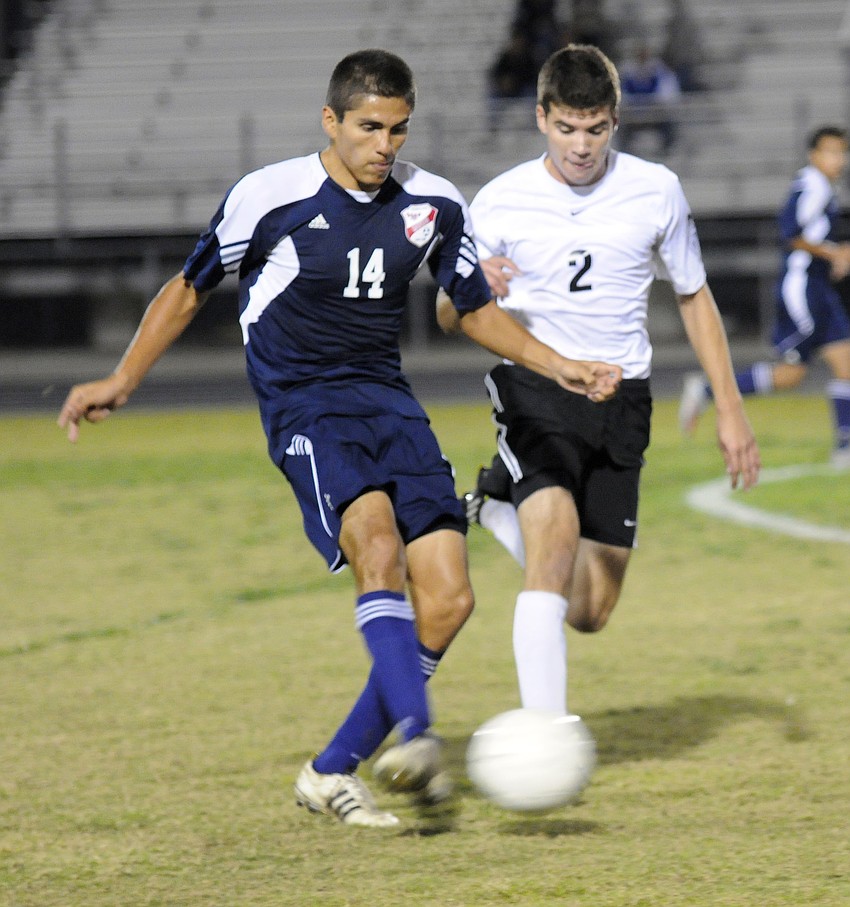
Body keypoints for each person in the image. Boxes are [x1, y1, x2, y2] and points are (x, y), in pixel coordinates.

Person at [57, 49, 621, 828]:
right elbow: (189, 289)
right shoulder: (270, 195)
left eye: (397, 128)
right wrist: (122, 380)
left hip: (389, 402)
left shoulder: (433, 202)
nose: (384, 144)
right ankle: (418, 736)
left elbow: (475, 307)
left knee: (451, 598)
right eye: (368, 127)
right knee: (377, 545)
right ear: (331, 121)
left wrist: (560, 365)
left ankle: (329, 771)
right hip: (305, 406)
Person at [438, 44, 760, 717]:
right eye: (565, 128)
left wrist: (730, 409)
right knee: (552, 546)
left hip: (624, 397)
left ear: (616, 121)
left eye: (595, 128)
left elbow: (694, 297)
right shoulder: (499, 200)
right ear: (540, 118)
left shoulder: (656, 188)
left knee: (589, 610)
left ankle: (498, 503)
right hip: (537, 388)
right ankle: (545, 733)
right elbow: (449, 312)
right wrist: (471, 289)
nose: (580, 146)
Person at [680, 126, 850, 470]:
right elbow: (790, 234)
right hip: (802, 289)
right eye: (831, 152)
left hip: (817, 287)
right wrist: (833, 255)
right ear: (814, 155)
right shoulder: (811, 186)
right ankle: (708, 390)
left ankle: (845, 446)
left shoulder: (821, 187)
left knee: (844, 361)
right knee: (790, 373)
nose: (838, 160)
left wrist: (831, 254)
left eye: (842, 152)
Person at [617, 41, 682, 155]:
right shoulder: (626, 72)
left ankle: (667, 152)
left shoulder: (659, 71)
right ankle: (624, 153)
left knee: (670, 125)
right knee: (618, 127)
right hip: (632, 114)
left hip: (656, 113)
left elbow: (669, 93)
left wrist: (653, 102)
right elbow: (620, 94)